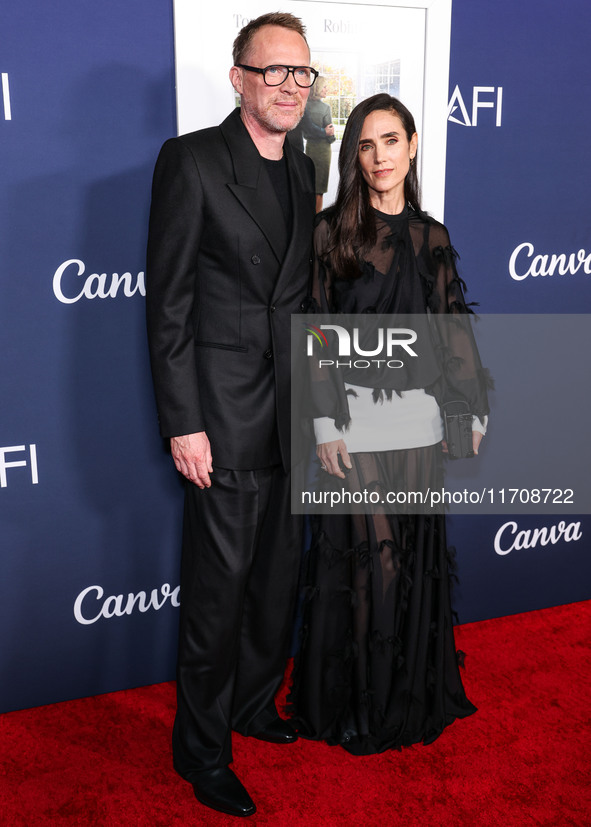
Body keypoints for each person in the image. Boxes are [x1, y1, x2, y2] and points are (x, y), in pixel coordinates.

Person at [145, 13, 316, 818]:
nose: (289, 86)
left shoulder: (304, 168)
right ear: (239, 76)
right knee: (216, 598)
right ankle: (202, 750)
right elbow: (169, 303)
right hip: (222, 419)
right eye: (273, 70)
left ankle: (253, 706)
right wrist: (184, 420)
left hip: (295, 418)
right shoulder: (192, 160)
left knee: (274, 586)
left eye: (301, 73)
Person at [288, 94, 490, 755]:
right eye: (365, 145)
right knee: (371, 566)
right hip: (354, 429)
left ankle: (406, 699)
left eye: (390, 141)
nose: (378, 156)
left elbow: (450, 330)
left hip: (418, 426)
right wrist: (323, 421)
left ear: (409, 146)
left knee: (408, 565)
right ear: (353, 156)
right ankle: (358, 709)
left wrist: (466, 407)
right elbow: (315, 331)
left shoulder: (432, 236)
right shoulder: (329, 234)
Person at [303, 76, 335, 212]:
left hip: (309, 149)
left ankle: (309, 220)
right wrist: (330, 135)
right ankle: (317, 220)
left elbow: (306, 131)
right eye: (324, 86)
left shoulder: (304, 106)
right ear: (317, 88)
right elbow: (330, 135)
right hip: (323, 152)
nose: (327, 89)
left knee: (309, 187)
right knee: (319, 190)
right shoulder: (325, 107)